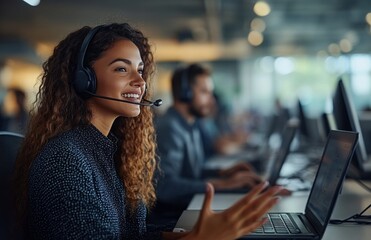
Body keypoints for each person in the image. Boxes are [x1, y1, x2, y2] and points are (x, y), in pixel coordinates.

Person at [12, 23, 282, 240]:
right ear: (85, 80)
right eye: (121, 69)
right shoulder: (66, 160)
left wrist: (189, 234)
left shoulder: (108, 149)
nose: (140, 82)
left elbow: (131, 234)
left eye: (140, 70)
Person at [153, 64, 264, 224]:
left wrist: (224, 173)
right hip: (173, 219)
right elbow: (165, 186)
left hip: (188, 208)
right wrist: (222, 184)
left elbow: (191, 174)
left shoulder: (190, 125)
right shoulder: (170, 128)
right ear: (185, 93)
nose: (211, 100)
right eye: (204, 92)